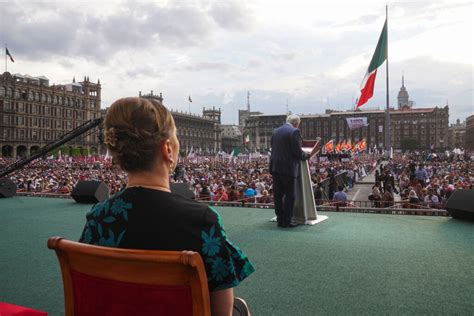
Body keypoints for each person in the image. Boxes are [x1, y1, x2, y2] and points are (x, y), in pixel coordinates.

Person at [78, 97, 254, 316]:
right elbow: (221, 312)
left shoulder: (98, 218)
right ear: (168, 149)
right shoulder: (202, 220)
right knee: (239, 307)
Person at [269, 114, 321, 228]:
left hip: (275, 167)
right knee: (289, 196)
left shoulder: (276, 131)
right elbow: (297, 152)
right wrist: (307, 155)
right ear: (297, 123)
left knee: (278, 195)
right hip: (288, 168)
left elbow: (274, 147)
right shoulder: (294, 132)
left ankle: (280, 220)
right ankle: (287, 221)